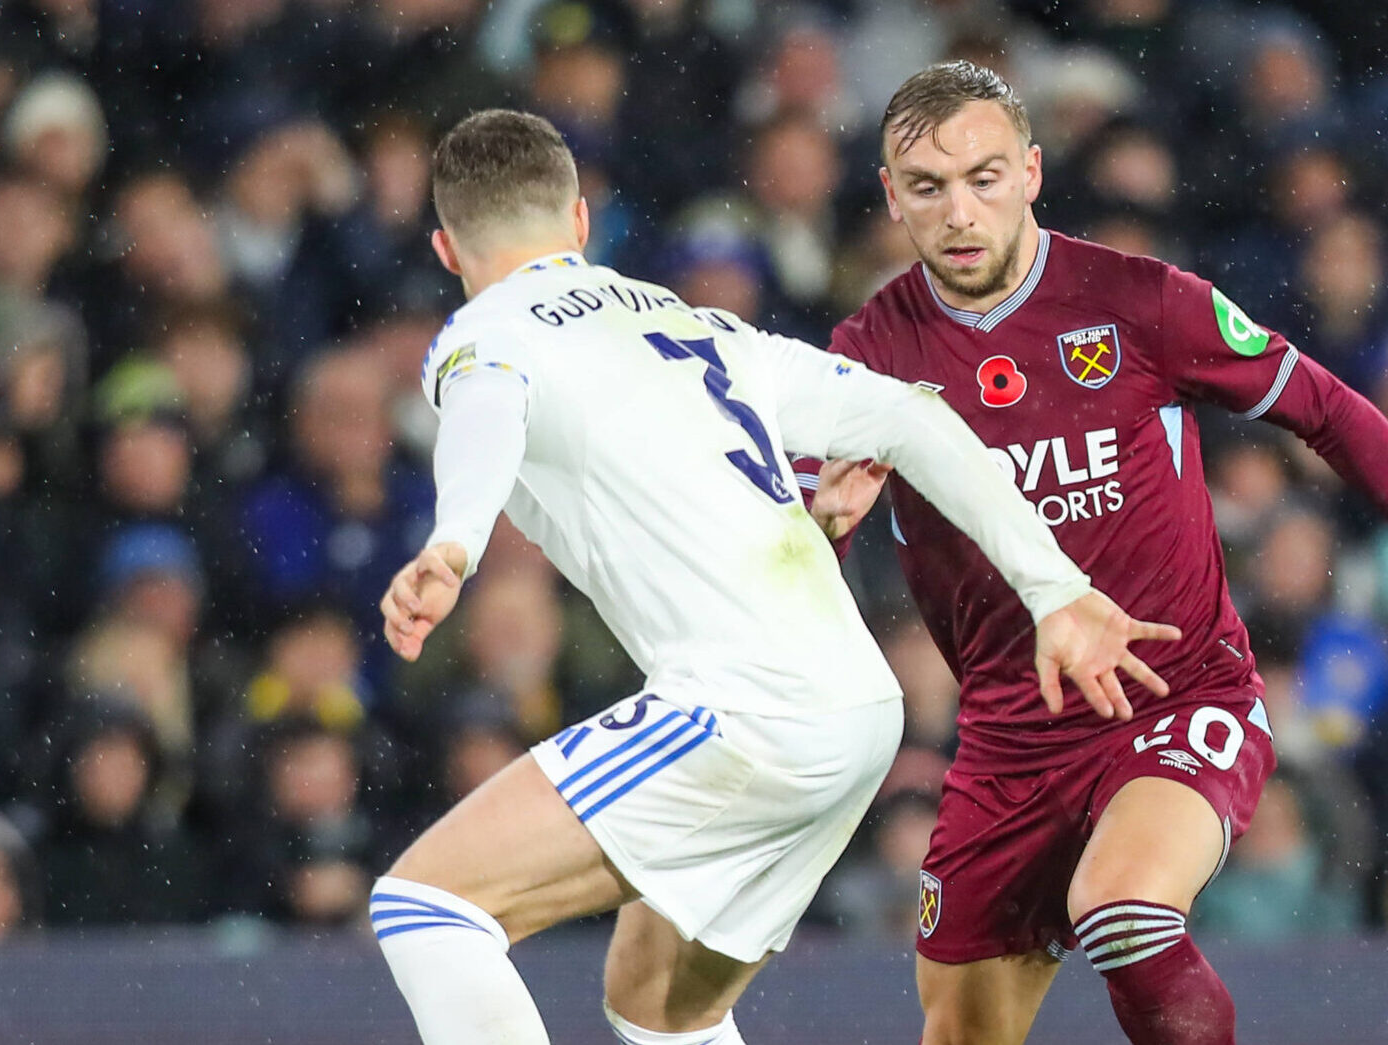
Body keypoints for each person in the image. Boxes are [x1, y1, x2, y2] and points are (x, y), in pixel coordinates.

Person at [805, 63, 1388, 1045]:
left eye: (985, 177)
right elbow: (784, 556)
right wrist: (821, 526)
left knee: (1121, 909)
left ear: (1033, 171)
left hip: (1179, 697)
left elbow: (1324, 409)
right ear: (889, 195)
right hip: (1007, 741)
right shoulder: (865, 355)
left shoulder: (1137, 301)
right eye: (927, 186)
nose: (960, 211)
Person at [365, 110, 1168, 1045]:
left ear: (445, 246)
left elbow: (487, 408)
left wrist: (454, 541)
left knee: (428, 906)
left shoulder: (483, 333)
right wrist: (1054, 587)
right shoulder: (695, 324)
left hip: (745, 712)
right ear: (580, 224)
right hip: (858, 715)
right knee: (658, 1002)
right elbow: (912, 418)